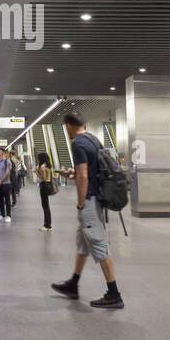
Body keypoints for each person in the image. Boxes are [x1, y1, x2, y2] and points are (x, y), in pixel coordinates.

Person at [51, 112, 124, 309]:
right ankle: (73, 284)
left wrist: (81, 204)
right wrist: (71, 173)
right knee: (83, 243)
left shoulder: (77, 143)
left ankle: (114, 293)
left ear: (68, 126)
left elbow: (84, 176)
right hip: (98, 197)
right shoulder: (94, 139)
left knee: (99, 244)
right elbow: (90, 172)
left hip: (89, 201)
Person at [0, 147, 13, 222]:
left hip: (6, 184)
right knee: (0, 200)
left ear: (2, 153)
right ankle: (2, 214)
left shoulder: (7, 161)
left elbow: (7, 173)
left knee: (7, 200)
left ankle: (8, 215)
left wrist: (0, 181)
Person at [36, 151, 54, 232]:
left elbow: (42, 178)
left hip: (44, 186)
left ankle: (47, 225)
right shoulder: (48, 165)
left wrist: (36, 172)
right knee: (46, 206)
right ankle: (47, 224)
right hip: (48, 185)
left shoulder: (42, 167)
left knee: (45, 206)